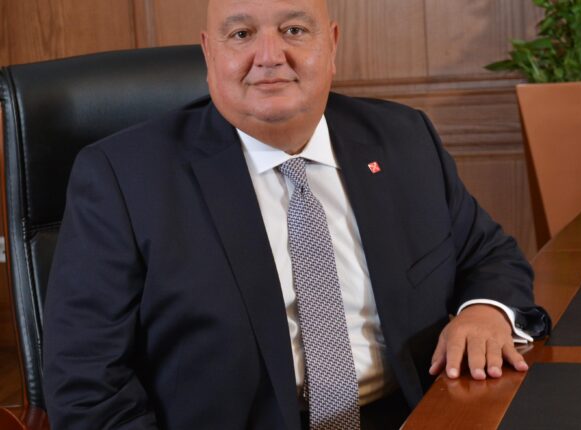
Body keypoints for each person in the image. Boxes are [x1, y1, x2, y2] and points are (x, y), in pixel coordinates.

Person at [42, 0, 550, 428]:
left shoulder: (403, 139)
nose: (270, 56)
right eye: (241, 34)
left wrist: (484, 312)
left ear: (331, 45)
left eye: (294, 30)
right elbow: (86, 384)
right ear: (209, 53)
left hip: (416, 415)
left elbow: (489, 254)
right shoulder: (123, 178)